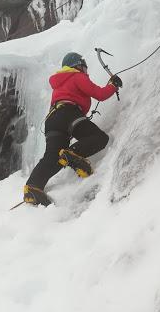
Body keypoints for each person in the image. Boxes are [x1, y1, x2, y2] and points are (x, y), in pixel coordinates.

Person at [23, 52, 122, 206]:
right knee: (100, 138)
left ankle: (33, 187)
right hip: (68, 114)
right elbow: (100, 94)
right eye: (84, 67)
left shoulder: (60, 82)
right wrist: (113, 85)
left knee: (53, 157)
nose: (86, 71)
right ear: (77, 65)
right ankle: (74, 154)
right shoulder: (76, 76)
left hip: (52, 119)